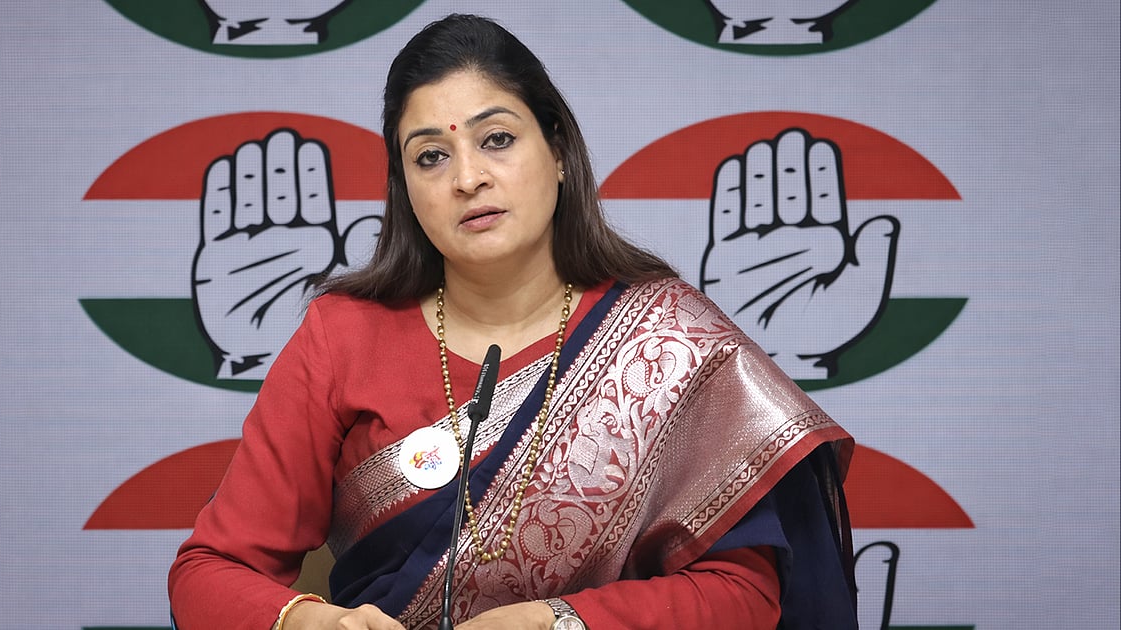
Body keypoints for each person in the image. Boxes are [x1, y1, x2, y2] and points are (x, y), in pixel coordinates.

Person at [168, 13, 858, 630]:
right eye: (430, 156)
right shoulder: (342, 336)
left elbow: (746, 595)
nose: (467, 178)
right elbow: (208, 572)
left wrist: (556, 624)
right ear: (404, 189)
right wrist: (305, 622)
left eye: (496, 139)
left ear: (558, 152)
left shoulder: (669, 341)